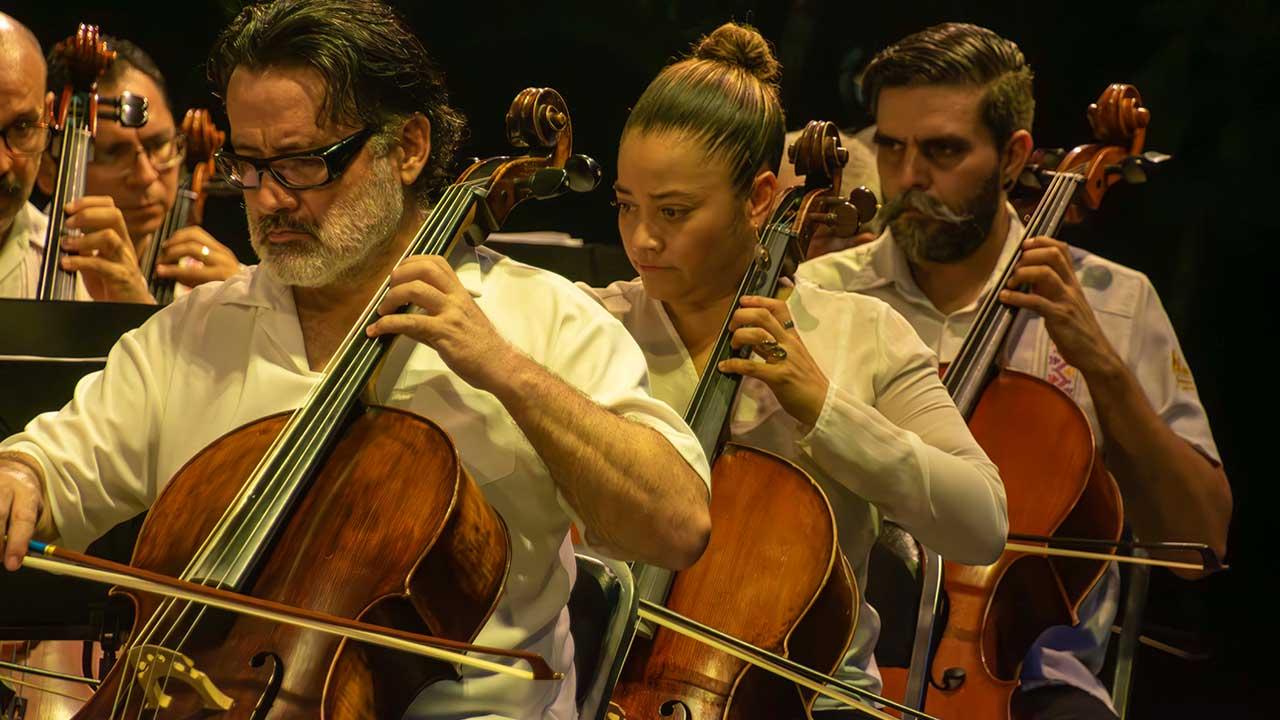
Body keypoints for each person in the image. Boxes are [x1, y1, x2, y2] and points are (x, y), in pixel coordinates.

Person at [0, 1, 712, 717]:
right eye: (248, 165)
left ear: (406, 148)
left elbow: (675, 526)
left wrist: (505, 368)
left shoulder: (544, 321)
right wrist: (20, 477)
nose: (270, 198)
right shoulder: (197, 331)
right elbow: (57, 463)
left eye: (304, 162)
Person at [798, 22, 1232, 719]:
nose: (908, 177)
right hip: (827, 660)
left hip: (1024, 679)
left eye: (943, 151)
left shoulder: (1114, 305)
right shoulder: (823, 293)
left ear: (1014, 155)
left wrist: (1099, 365)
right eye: (891, 147)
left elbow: (1197, 543)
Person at [580, 22, 1007, 707]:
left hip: (808, 699)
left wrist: (823, 405)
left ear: (759, 199)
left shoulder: (861, 333)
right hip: (600, 684)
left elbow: (981, 522)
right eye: (627, 207)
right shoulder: (586, 323)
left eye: (674, 211)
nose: (642, 239)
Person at [41, 36, 240, 291]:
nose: (146, 175)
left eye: (159, 145)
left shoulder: (214, 284)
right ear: (49, 168)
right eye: (113, 153)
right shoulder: (22, 263)